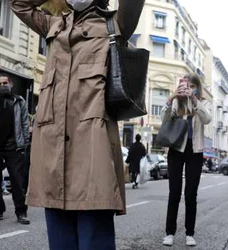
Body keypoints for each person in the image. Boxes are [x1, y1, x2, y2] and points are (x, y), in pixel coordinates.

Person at [10, 0, 145, 249]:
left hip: (93, 151)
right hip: (52, 151)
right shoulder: (54, 24)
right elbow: (19, 4)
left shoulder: (115, 24)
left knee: (94, 240)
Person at [162, 73, 212, 247]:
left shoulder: (203, 102)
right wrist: (172, 98)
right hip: (176, 149)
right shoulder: (177, 100)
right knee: (174, 193)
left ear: (197, 87)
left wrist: (194, 100)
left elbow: (207, 119)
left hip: (195, 150)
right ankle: (169, 233)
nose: (188, 89)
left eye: (192, 86)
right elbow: (165, 119)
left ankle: (190, 233)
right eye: (186, 85)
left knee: (191, 194)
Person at [0, 74, 30, 225]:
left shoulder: (19, 101)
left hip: (13, 147)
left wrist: (24, 143)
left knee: (18, 181)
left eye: (5, 83)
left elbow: (24, 123)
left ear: (11, 84)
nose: (2, 85)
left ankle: (21, 212)